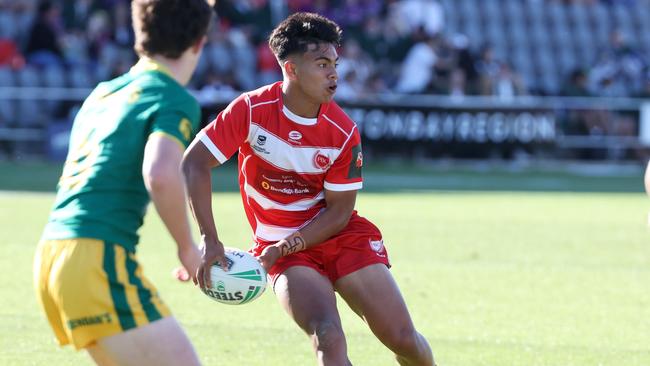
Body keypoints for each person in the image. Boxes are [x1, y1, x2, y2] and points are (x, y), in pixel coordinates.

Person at [182, 12, 435, 366]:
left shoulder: (344, 132)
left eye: (334, 63)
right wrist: (209, 238)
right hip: (285, 254)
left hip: (339, 236)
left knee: (403, 339)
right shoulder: (252, 110)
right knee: (327, 335)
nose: (334, 73)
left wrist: (286, 244)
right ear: (291, 69)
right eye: (321, 63)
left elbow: (340, 212)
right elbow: (193, 163)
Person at [33, 1, 213, 365]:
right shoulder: (172, 97)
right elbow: (161, 174)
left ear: (139, 35)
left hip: (53, 252)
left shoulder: (103, 93)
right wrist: (187, 248)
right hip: (95, 259)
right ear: (199, 42)